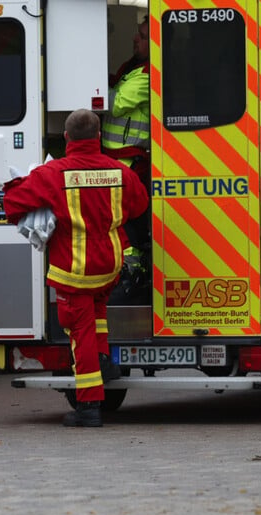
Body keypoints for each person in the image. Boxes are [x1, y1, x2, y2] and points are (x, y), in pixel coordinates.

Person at [2, 109, 149, 427]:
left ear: (67, 137)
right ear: (98, 137)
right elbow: (139, 205)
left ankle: (89, 405)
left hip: (74, 270)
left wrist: (18, 181)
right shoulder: (118, 172)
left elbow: (12, 205)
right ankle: (103, 363)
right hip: (109, 264)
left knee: (79, 332)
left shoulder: (53, 173)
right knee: (97, 320)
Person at [103, 17, 152, 305]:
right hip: (116, 162)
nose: (136, 39)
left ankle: (134, 272)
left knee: (127, 221)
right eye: (137, 34)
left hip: (130, 162)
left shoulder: (147, 74)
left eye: (143, 36)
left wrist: (88, 91)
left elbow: (116, 103)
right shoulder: (133, 68)